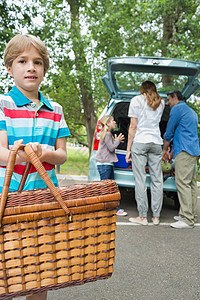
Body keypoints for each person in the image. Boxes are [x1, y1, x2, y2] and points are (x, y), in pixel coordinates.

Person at [0, 34, 70, 300]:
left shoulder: (56, 110)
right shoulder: (3, 104)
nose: (31, 67)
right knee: (7, 265)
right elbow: (1, 151)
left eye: (38, 62)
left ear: (44, 69)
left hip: (44, 198)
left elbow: (62, 154)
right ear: (9, 67)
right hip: (7, 199)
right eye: (22, 61)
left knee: (39, 269)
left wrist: (46, 153)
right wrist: (25, 155)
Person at [125, 81, 165, 225]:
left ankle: (142, 217)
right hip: (156, 142)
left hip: (141, 142)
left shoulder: (136, 100)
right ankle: (156, 217)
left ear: (142, 89)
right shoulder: (161, 103)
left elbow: (133, 127)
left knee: (140, 180)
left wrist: (128, 149)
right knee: (157, 180)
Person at [162, 90, 200, 229]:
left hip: (184, 151)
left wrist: (165, 150)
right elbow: (182, 133)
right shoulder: (190, 111)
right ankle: (189, 215)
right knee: (190, 184)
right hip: (192, 150)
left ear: (175, 97)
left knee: (182, 183)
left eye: (168, 99)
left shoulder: (177, 109)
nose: (167, 103)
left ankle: (187, 219)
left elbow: (170, 131)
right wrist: (172, 151)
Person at [96, 115, 127, 216]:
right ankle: (109, 209)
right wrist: (117, 141)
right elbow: (111, 148)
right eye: (113, 121)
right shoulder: (108, 135)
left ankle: (111, 208)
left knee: (109, 188)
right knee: (108, 188)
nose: (115, 122)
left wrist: (116, 140)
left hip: (105, 164)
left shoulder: (106, 134)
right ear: (108, 123)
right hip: (105, 165)